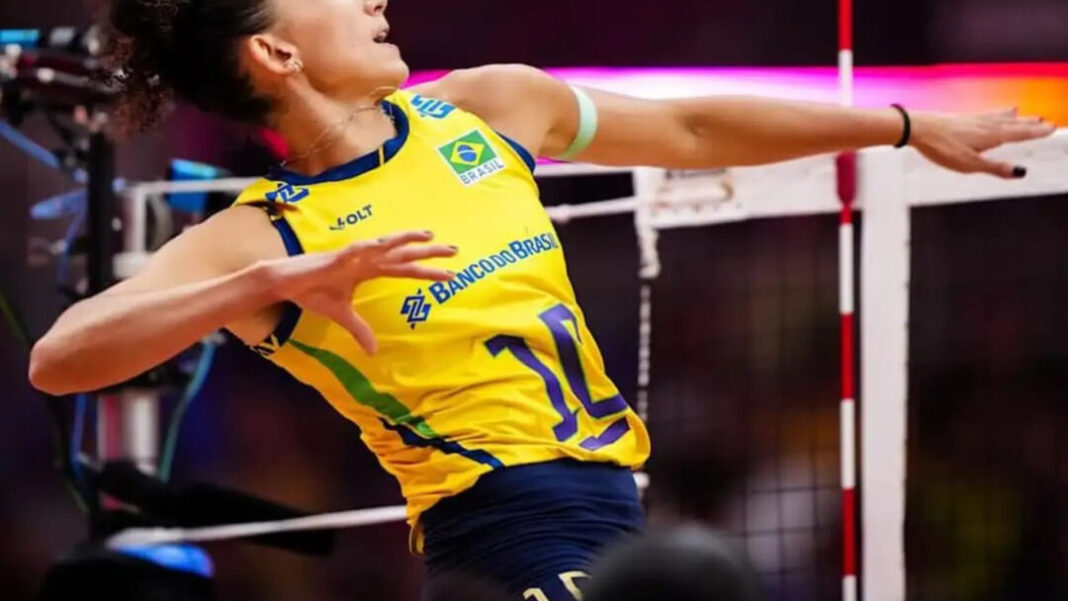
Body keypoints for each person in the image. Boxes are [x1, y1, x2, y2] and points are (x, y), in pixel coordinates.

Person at [27, 0, 1054, 598]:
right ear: (277, 53)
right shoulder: (265, 230)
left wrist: (902, 127)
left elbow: (690, 130)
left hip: (618, 505)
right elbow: (60, 357)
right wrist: (261, 285)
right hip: (502, 533)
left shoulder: (485, 108)